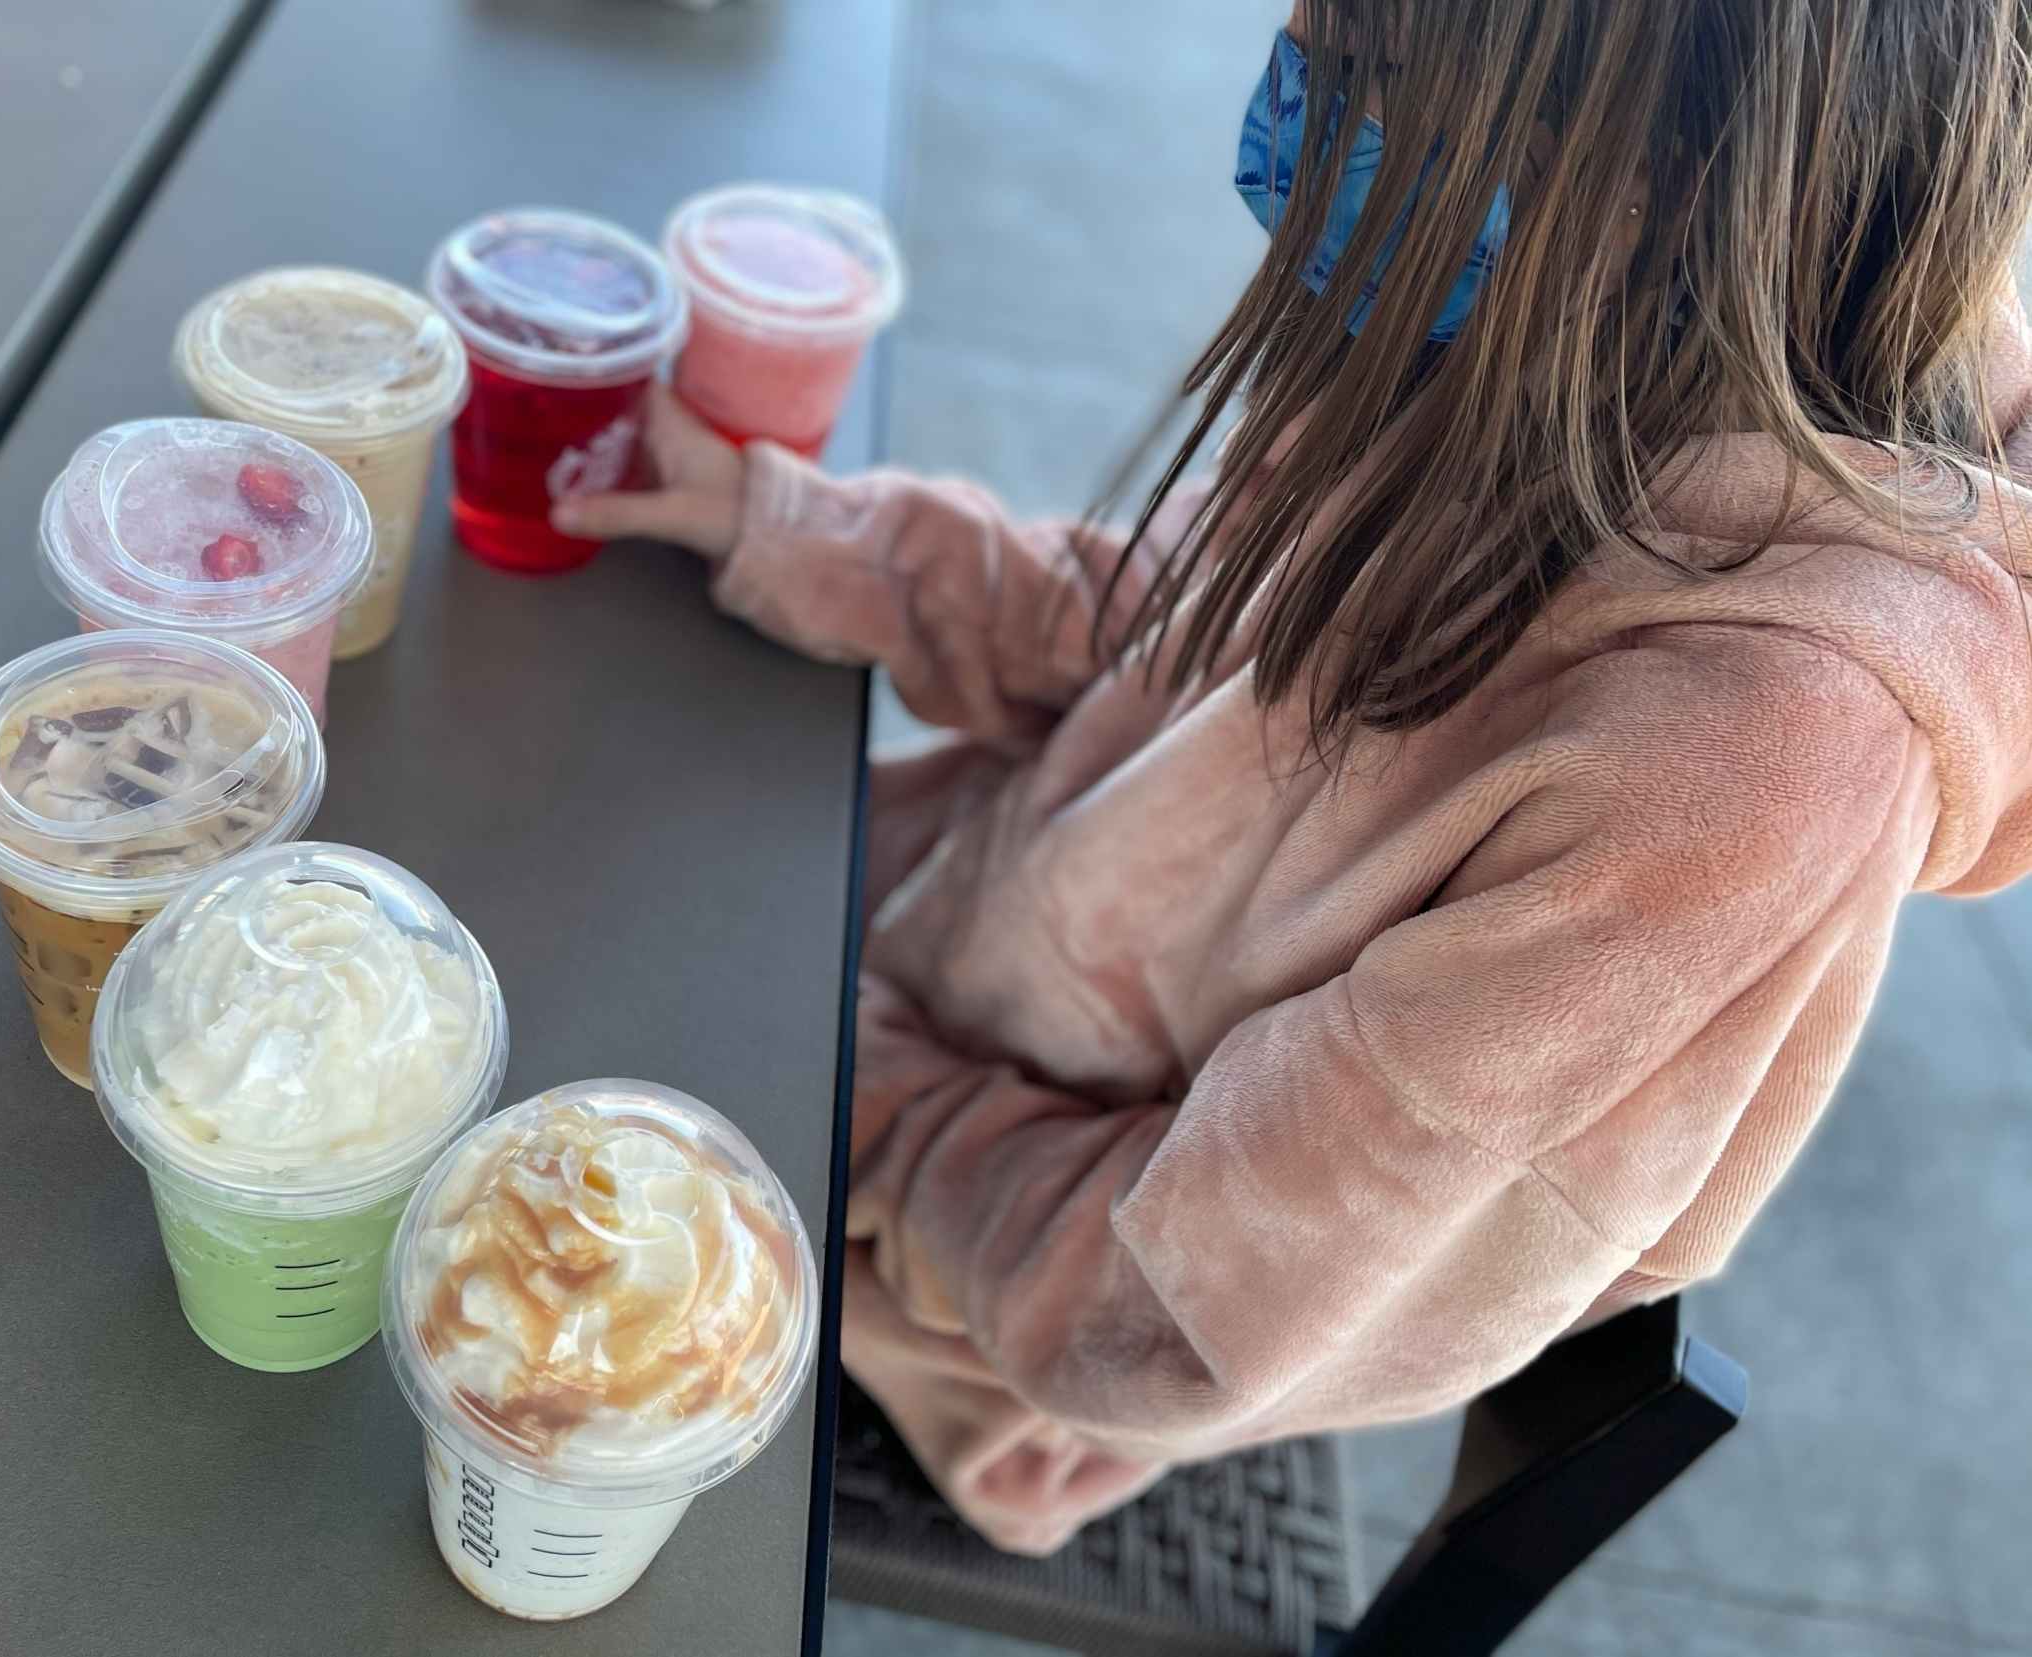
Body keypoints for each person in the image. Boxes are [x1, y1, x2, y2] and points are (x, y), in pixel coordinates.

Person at [559, 0, 2032, 1553]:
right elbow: (1180, 618)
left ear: (1654, 178)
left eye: (1369, 73)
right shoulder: (1543, 322)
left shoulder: (1747, 766)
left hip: (960, 1320)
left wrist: (838, 1088)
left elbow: (1165, 1315)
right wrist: (809, 536)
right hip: (883, 981)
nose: (1296, 85)